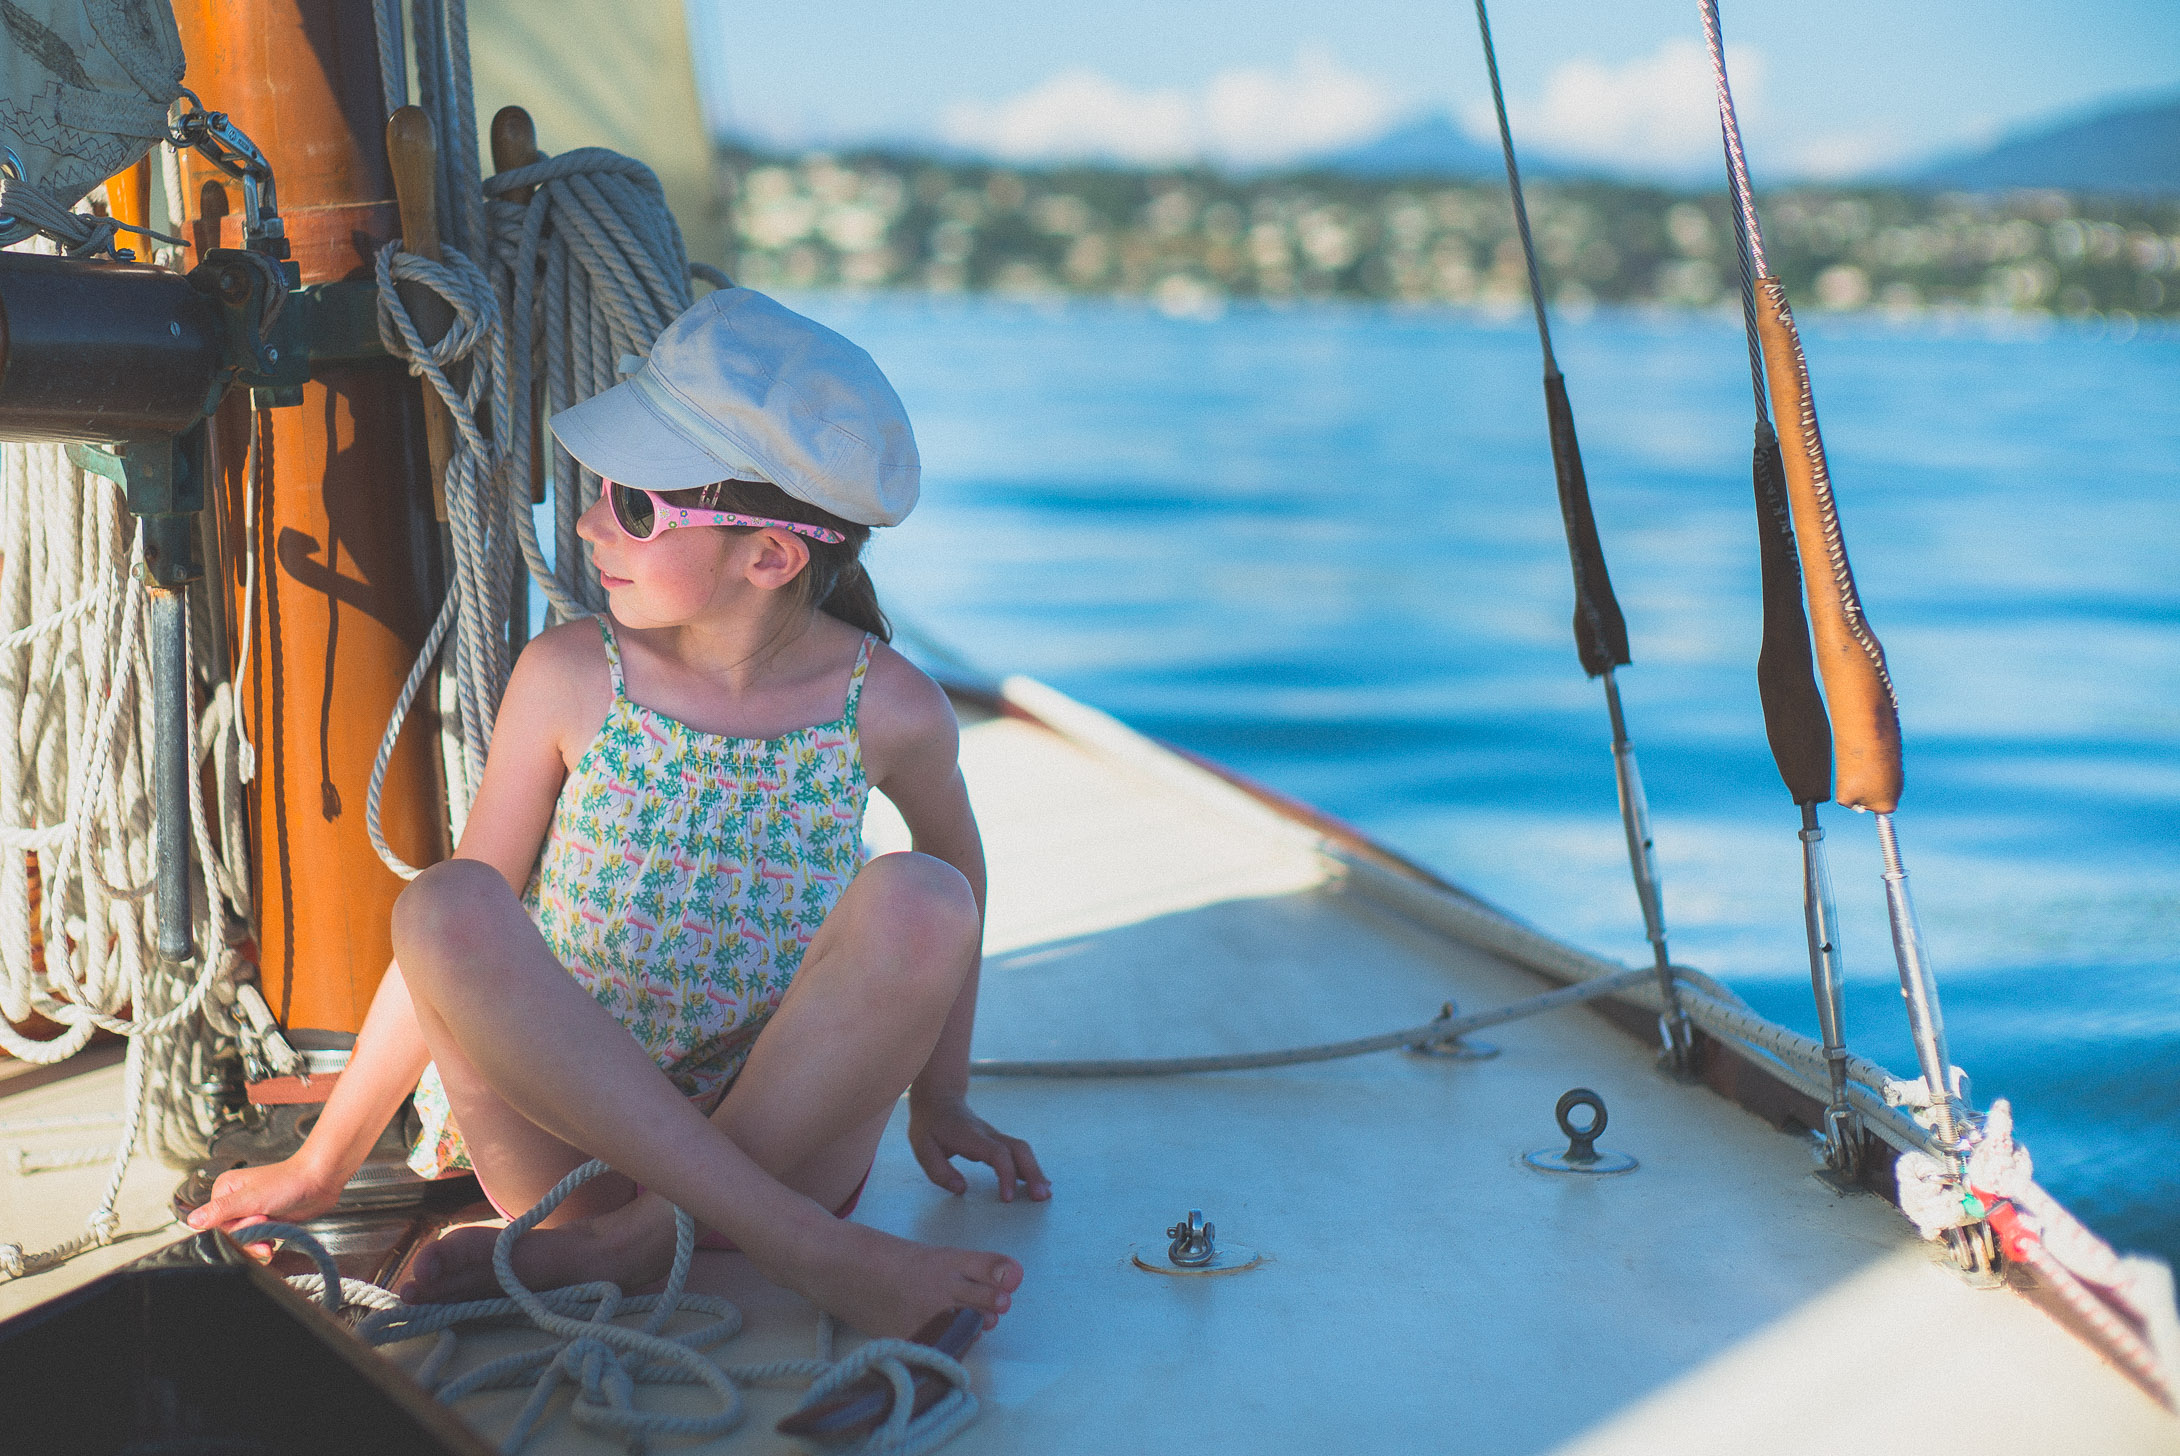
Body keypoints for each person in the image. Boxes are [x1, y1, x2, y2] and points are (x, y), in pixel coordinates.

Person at [187, 286, 1047, 1337]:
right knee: (448, 898)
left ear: (769, 557)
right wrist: (322, 1165)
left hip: (785, 1142)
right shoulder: (568, 677)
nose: (591, 521)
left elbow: (961, 886)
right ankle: (791, 1252)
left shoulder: (890, 705)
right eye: (599, 488)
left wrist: (942, 1096)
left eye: (635, 507)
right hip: (568, 1159)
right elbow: (454, 942)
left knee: (924, 892)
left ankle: (636, 1246)